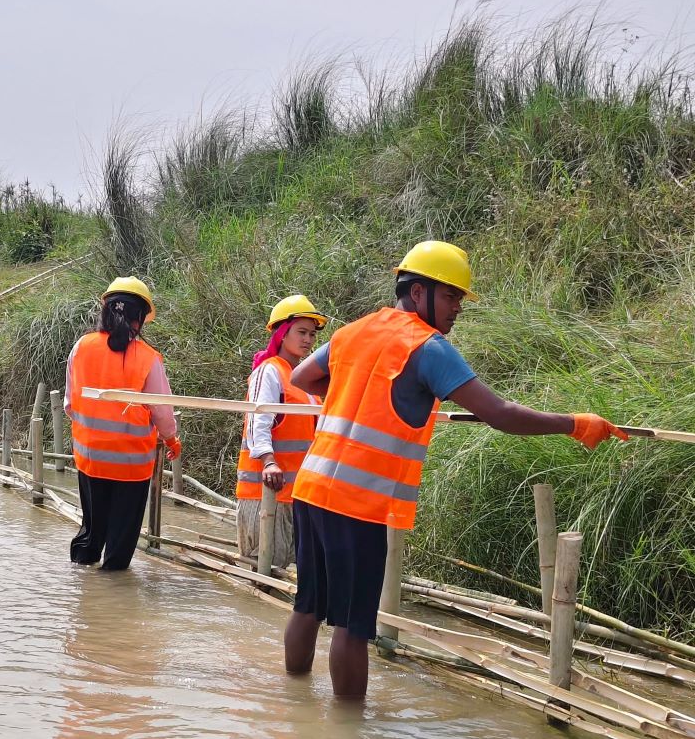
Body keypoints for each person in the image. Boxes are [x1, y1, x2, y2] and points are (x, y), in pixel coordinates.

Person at [283, 240, 627, 698]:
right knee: (351, 626)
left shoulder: (354, 331)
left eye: (460, 299)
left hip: (311, 490)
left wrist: (354, 388)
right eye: (450, 296)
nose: (457, 309)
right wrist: (574, 424)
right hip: (357, 505)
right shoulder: (429, 349)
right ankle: (348, 726)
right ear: (418, 292)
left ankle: (291, 706)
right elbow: (500, 413)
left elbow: (302, 377)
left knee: (307, 606)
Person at [64, 276, 181, 570]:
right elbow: (163, 412)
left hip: (90, 457)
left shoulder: (81, 347)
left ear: (105, 311)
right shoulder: (148, 358)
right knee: (120, 540)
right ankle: (112, 593)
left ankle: (81, 584)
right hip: (131, 463)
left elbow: (69, 404)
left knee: (91, 531)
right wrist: (171, 439)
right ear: (139, 318)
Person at [235, 295, 326, 568]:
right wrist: (269, 461)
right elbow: (257, 421)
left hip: (299, 493)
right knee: (263, 569)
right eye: (301, 332)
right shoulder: (270, 371)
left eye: (311, 334)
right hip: (266, 491)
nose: (308, 339)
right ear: (282, 333)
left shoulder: (307, 381)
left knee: (293, 569)